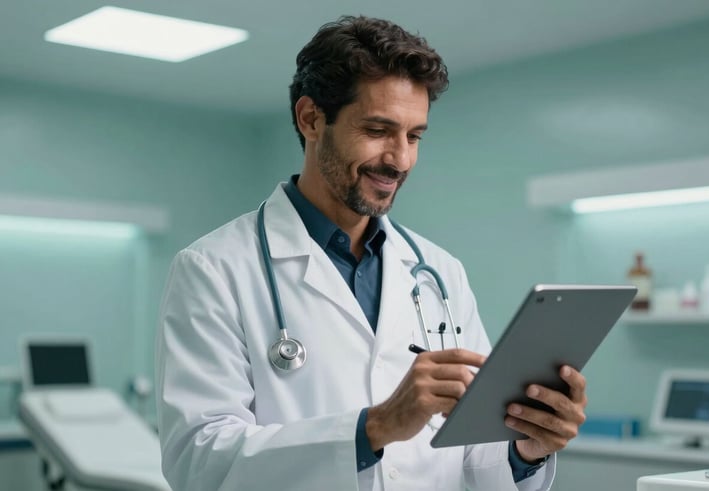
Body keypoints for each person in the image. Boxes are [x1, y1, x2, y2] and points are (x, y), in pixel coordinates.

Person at [155, 15, 587, 491]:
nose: (400, 159)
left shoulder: (439, 273)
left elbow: (473, 454)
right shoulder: (214, 269)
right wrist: (373, 429)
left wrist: (526, 447)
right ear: (311, 118)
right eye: (379, 130)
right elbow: (197, 462)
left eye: (414, 136)